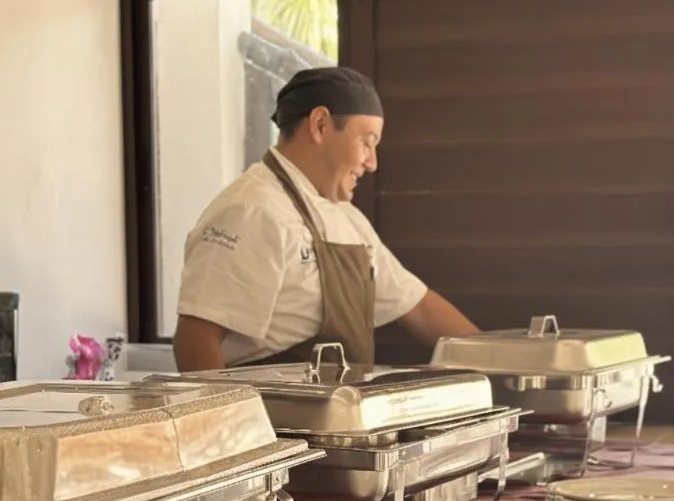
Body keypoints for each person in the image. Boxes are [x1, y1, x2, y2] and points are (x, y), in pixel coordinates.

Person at [172, 66, 478, 372]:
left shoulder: (348, 220)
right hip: (274, 414)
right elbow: (195, 340)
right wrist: (233, 421)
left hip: (339, 412)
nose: (372, 163)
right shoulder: (250, 211)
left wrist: (496, 362)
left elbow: (420, 309)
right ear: (320, 125)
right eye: (367, 143)